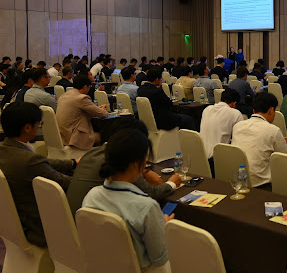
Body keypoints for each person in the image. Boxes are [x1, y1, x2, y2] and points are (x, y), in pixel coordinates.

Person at [82, 129, 172, 272]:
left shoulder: (91, 196)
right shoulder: (146, 207)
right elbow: (159, 258)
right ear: (136, 164)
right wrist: (163, 227)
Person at [0, 102, 77, 247]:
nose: (39, 127)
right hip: (39, 228)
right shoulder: (29, 162)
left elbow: (42, 162)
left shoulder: (6, 150)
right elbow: (67, 184)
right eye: (39, 124)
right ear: (27, 128)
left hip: (15, 224)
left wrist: (72, 163)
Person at [66, 123, 181, 215]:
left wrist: (143, 171)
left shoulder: (92, 153)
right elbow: (149, 193)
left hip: (79, 225)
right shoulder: (147, 206)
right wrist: (172, 183)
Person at [231, 93, 287, 189]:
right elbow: (285, 163)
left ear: (254, 110)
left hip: (239, 181)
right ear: (271, 110)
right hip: (262, 186)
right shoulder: (273, 130)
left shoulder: (237, 126)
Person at [56, 74, 109, 150]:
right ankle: (97, 155)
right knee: (104, 136)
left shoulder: (64, 96)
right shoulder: (81, 98)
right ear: (85, 87)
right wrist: (103, 109)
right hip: (75, 137)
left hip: (62, 135)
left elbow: (78, 111)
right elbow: (102, 114)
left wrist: (96, 108)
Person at [200, 88, 243, 176]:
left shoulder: (207, 109)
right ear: (234, 104)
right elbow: (241, 137)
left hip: (201, 157)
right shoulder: (235, 113)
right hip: (217, 161)